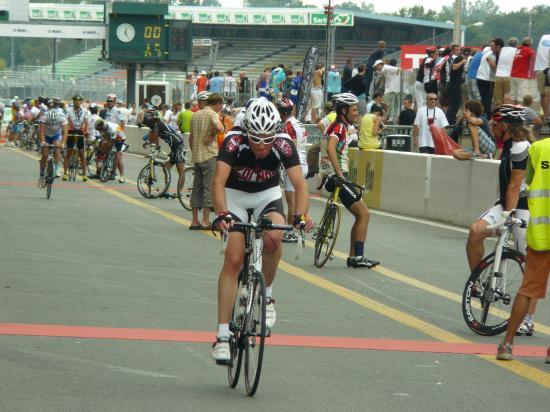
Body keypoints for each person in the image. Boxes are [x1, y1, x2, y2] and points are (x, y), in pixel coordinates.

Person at [210, 97, 313, 363]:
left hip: (266, 195)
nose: (262, 145)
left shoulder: (283, 143)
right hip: (235, 195)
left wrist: (301, 215)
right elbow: (218, 182)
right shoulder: (233, 140)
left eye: (268, 139)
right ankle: (222, 336)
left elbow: (300, 186)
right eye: (256, 138)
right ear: (247, 132)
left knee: (273, 238)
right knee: (233, 259)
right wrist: (222, 213)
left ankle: (266, 295)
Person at [468, 106, 536, 336]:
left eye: (494, 124)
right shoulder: (506, 144)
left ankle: (528, 318)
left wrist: (508, 216)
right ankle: (477, 285)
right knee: (476, 231)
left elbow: (516, 184)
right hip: (506, 203)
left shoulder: (521, 147)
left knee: (530, 263)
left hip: (525, 207)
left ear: (505, 126)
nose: (491, 127)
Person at [496, 135, 550, 362]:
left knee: (527, 290)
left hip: (541, 231)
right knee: (528, 291)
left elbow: (525, 182)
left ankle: (507, 344)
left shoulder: (538, 148)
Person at [319, 93, 380, 268]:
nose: (357, 113)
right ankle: (358, 257)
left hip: (333, 175)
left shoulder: (337, 125)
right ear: (344, 110)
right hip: (338, 177)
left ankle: (354, 256)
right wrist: (339, 175)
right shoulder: (339, 127)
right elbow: (331, 148)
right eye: (354, 110)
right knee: (364, 214)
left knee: (359, 215)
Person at [189, 93, 224, 230]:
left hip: (197, 156)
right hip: (209, 156)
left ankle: (194, 221)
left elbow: (191, 137)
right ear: (218, 103)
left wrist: (194, 151)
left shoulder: (196, 115)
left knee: (196, 188)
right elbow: (220, 128)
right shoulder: (212, 114)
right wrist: (211, 135)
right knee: (208, 188)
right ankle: (205, 221)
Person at [276, 98, 309, 243]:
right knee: (299, 199)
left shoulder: (288, 125)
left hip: (295, 165)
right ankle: (297, 229)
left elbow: (291, 147)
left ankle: (290, 231)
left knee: (292, 203)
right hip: (304, 163)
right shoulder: (299, 123)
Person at [142, 109, 187, 197]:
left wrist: (154, 146)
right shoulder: (154, 125)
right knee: (166, 167)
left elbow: (154, 138)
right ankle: (166, 190)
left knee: (180, 169)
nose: (147, 121)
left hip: (178, 144)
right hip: (174, 146)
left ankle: (180, 192)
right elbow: (152, 136)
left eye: (148, 119)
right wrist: (148, 142)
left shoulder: (157, 123)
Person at [38, 107, 68, 185]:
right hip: (46, 135)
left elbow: (65, 133)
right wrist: (43, 142)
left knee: (56, 149)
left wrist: (62, 144)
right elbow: (41, 131)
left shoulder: (62, 118)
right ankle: (42, 172)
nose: (51, 124)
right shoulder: (44, 117)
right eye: (50, 123)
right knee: (44, 155)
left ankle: (57, 168)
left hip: (56, 135)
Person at [63, 95, 89, 181]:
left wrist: (86, 131)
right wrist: (65, 131)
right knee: (69, 152)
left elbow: (86, 122)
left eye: (79, 100)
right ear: (73, 101)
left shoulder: (85, 111)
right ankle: (65, 173)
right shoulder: (68, 110)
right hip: (70, 131)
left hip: (80, 132)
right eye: (76, 100)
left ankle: (84, 174)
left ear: (81, 102)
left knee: (82, 153)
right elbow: (66, 121)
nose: (77, 102)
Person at [92, 118, 127, 183]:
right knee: (104, 147)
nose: (99, 131)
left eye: (100, 129)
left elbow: (112, 142)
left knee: (118, 157)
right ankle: (104, 168)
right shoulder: (104, 127)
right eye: (98, 130)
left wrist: (107, 151)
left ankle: (121, 176)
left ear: (103, 127)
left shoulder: (111, 129)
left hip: (120, 139)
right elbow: (104, 139)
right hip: (112, 137)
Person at [477, 39, 503, 117]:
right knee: (487, 100)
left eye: (492, 46)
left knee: (484, 99)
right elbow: (496, 69)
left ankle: (484, 115)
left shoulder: (486, 50)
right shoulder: (494, 55)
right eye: (491, 46)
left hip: (480, 77)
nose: (491, 47)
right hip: (488, 79)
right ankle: (488, 117)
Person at [492, 37, 518, 108]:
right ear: (516, 44)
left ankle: (497, 115)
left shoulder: (503, 49)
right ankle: (507, 115)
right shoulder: (517, 51)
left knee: (498, 99)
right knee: (508, 99)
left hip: (498, 76)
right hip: (508, 77)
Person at [446, 44, 466, 125]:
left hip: (453, 83)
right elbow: (454, 67)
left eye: (459, 50)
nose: (458, 51)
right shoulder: (458, 58)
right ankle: (451, 120)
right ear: (453, 51)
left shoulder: (450, 58)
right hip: (455, 83)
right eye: (456, 50)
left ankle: (449, 119)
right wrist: (463, 61)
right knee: (455, 103)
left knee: (454, 103)